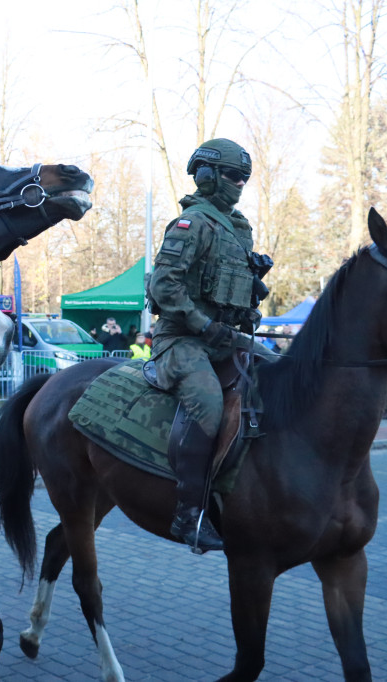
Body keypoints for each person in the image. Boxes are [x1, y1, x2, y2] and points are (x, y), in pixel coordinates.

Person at [146, 138, 270, 553]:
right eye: (233, 175)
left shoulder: (238, 229)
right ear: (206, 176)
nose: (239, 183)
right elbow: (165, 284)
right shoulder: (192, 223)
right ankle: (188, 515)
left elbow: (226, 289)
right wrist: (201, 323)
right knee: (208, 401)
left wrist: (252, 293)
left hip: (224, 338)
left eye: (244, 178)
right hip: (181, 338)